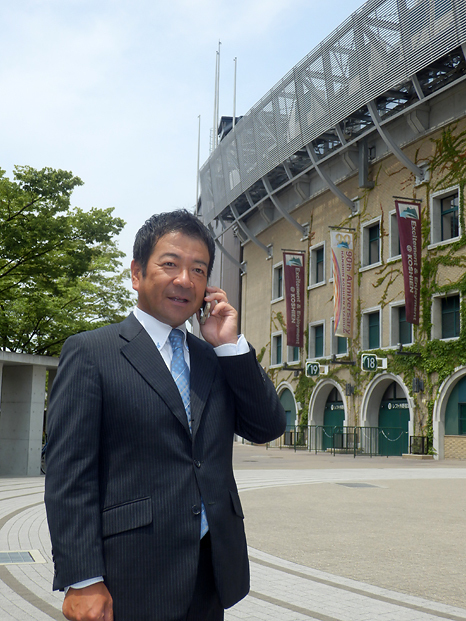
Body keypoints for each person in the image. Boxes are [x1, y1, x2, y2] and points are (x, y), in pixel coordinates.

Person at [45, 209, 286, 621]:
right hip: (129, 575)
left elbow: (267, 426)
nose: (184, 280)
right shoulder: (92, 353)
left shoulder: (214, 358)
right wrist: (83, 578)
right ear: (137, 273)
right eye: (170, 264)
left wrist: (230, 345)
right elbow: (69, 473)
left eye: (198, 269)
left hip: (211, 572)